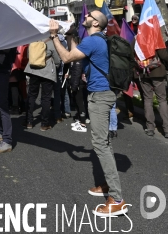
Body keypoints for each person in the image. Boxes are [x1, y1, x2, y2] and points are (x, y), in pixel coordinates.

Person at [50, 13, 128, 217]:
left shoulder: (93, 40)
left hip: (100, 96)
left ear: (95, 23)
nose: (85, 15)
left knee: (100, 144)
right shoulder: (98, 40)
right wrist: (68, 35)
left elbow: (67, 57)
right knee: (105, 142)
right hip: (102, 93)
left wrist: (53, 36)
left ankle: (117, 199)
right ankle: (108, 185)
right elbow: (75, 50)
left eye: (90, 14)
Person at [24, 40, 60, 131]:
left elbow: (29, 56)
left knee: (31, 95)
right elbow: (57, 59)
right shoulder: (51, 42)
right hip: (47, 71)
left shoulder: (33, 40)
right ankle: (44, 124)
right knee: (46, 97)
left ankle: (28, 122)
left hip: (33, 70)